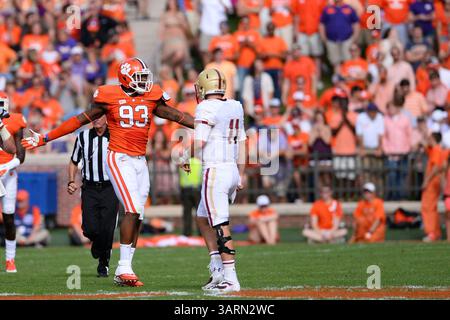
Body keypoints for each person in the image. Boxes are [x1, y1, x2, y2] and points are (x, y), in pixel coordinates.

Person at [21, 57, 195, 287]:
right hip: (119, 157)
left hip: (139, 160)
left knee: (139, 214)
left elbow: (173, 114)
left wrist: (203, 122)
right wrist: (45, 138)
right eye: (139, 77)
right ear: (125, 78)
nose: (144, 82)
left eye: (145, 77)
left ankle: (126, 266)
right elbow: (77, 120)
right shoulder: (108, 95)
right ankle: (122, 269)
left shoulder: (151, 95)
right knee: (131, 209)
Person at [180, 68, 246, 293]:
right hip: (231, 170)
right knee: (202, 217)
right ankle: (218, 269)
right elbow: (244, 143)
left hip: (215, 171)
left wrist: (183, 154)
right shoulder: (235, 105)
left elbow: (199, 142)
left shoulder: (206, 106)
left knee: (219, 224)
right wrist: (241, 173)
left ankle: (231, 278)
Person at [68, 115, 119, 277]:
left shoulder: (116, 136)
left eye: (99, 116)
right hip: (89, 187)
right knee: (89, 228)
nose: (96, 119)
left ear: (107, 118)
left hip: (110, 187)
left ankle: (103, 264)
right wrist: (71, 181)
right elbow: (74, 161)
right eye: (94, 117)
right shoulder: (83, 137)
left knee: (107, 228)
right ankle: (97, 245)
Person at [0, 92, 26, 273]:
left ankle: (10, 259)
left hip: (7, 174)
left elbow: (21, 155)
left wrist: (6, 167)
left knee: (9, 217)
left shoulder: (16, 120)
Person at [421, 131, 448, 242]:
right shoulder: (434, 149)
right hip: (434, 181)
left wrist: (426, 180)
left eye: (430, 138)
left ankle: (432, 232)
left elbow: (436, 167)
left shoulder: (436, 150)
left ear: (434, 139)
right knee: (431, 207)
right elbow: (425, 146)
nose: (428, 140)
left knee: (428, 207)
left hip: (432, 181)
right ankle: (435, 232)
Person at [319, 0, 360, 70]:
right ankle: (338, 77)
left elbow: (355, 23)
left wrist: (355, 37)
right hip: (331, 40)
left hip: (347, 39)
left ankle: (347, 77)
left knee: (347, 59)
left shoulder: (349, 8)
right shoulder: (327, 9)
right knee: (335, 61)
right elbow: (322, 24)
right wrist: (323, 37)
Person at [178, 154, 202, 236]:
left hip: (186, 190)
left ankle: (187, 233)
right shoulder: (199, 163)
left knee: (187, 213)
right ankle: (201, 233)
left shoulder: (183, 163)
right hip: (197, 190)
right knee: (199, 213)